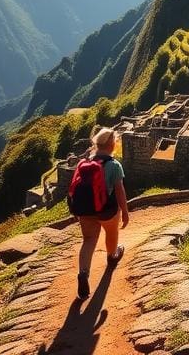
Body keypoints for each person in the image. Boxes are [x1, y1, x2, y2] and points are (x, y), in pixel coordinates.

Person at [74, 127, 129, 300]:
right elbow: (120, 191)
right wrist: (125, 212)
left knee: (88, 241)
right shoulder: (114, 165)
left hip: (86, 210)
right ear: (112, 144)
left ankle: (83, 273)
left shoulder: (84, 164)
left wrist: (77, 210)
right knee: (111, 234)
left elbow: (74, 188)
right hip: (106, 210)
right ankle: (112, 256)